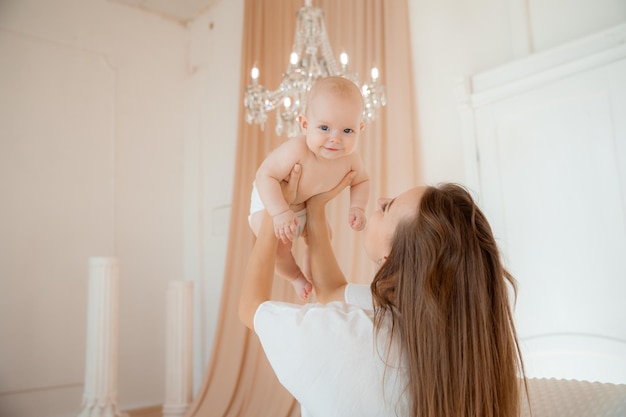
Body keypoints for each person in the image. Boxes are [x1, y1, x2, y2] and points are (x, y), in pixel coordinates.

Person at [240, 164, 527, 417]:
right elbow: (332, 292)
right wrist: (315, 207)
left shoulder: (353, 338)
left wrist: (274, 211)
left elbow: (251, 308)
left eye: (388, 207)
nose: (379, 200)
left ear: (393, 258)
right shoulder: (438, 325)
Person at [249, 76, 369, 301]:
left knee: (325, 234)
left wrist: (358, 207)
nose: (335, 139)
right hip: (270, 202)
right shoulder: (297, 149)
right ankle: (295, 276)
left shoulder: (351, 159)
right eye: (324, 128)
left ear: (359, 128)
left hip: (303, 207)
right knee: (277, 248)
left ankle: (309, 261)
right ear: (305, 125)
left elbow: (362, 181)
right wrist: (280, 212)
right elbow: (265, 175)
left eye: (347, 131)